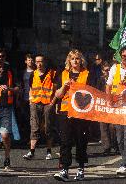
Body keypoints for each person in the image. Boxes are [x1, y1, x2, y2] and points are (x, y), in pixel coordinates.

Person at [53, 49, 91, 181]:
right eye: (73, 58)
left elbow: (94, 93)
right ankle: (64, 170)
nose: (75, 61)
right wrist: (64, 86)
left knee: (81, 141)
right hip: (66, 111)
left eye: (77, 58)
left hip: (81, 112)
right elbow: (58, 95)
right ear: (69, 61)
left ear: (81, 60)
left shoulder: (87, 74)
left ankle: (80, 169)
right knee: (65, 141)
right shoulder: (63, 74)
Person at [106, 46, 126, 174]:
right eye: (123, 56)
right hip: (117, 105)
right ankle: (125, 160)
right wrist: (108, 100)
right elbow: (108, 85)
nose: (125, 58)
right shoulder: (114, 68)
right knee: (119, 136)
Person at [22, 55, 57, 160]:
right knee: (34, 126)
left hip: (48, 103)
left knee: (48, 127)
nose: (39, 64)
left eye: (41, 61)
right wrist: (30, 101)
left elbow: (56, 90)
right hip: (35, 103)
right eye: (37, 62)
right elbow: (31, 89)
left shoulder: (52, 73)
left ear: (45, 62)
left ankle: (49, 151)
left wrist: (52, 103)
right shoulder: (33, 74)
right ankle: (31, 152)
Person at [97, 61, 119, 155]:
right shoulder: (100, 80)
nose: (107, 71)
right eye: (105, 70)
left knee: (113, 127)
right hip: (103, 106)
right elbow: (96, 92)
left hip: (113, 105)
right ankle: (107, 147)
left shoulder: (114, 80)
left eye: (109, 70)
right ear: (102, 71)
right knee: (103, 127)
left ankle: (116, 145)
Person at [16, 53, 35, 144]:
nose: (30, 61)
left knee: (34, 119)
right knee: (25, 118)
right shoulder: (22, 73)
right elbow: (20, 86)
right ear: (25, 61)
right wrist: (18, 99)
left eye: (31, 60)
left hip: (34, 98)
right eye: (28, 60)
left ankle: (33, 138)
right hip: (25, 98)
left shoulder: (36, 71)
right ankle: (27, 137)